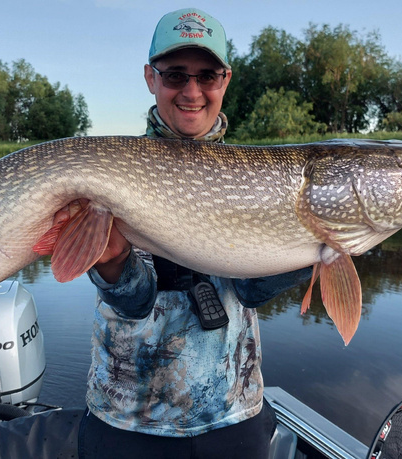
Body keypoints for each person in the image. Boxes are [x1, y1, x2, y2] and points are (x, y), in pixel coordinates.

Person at [79, 8, 313, 459]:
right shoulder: (117, 170)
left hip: (231, 415)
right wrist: (112, 263)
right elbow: (134, 302)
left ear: (225, 81)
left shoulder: (258, 176)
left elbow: (250, 289)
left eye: (207, 76)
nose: (191, 91)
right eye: (175, 75)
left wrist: (320, 243)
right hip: (126, 421)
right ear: (151, 78)